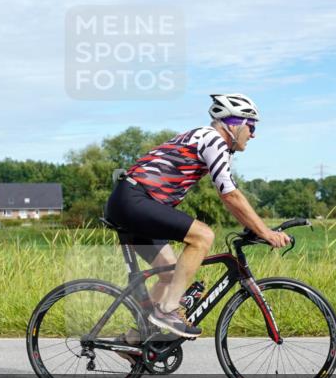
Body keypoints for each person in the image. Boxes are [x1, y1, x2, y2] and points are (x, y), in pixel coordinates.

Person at [104, 93, 291, 339]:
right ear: (234, 124)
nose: (253, 134)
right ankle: (168, 311)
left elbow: (230, 196)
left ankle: (136, 338)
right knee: (203, 236)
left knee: (170, 275)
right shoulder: (214, 140)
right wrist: (264, 232)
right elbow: (230, 195)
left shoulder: (206, 139)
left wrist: (253, 226)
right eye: (251, 126)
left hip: (132, 201)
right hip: (134, 200)